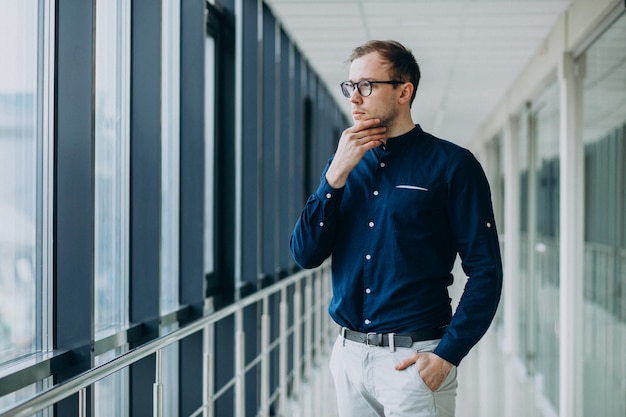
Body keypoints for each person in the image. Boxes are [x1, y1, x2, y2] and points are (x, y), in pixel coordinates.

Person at [290, 40, 503, 417]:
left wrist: (446, 356)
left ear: (404, 91)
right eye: (350, 86)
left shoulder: (453, 165)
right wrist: (334, 177)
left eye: (366, 86)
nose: (354, 98)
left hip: (414, 360)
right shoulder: (343, 165)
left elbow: (486, 271)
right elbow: (305, 254)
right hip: (348, 358)